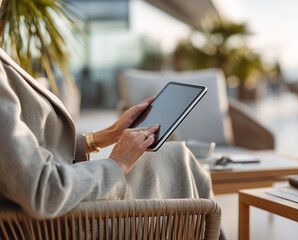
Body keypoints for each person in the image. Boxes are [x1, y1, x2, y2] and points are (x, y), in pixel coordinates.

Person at [0, 45, 215, 221]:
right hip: (66, 223)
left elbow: (30, 149)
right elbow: (42, 189)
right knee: (177, 157)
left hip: (64, 206)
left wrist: (107, 135)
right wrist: (118, 163)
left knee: (173, 156)